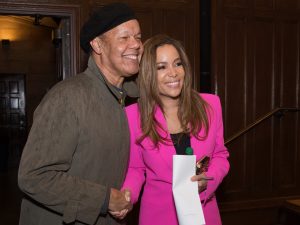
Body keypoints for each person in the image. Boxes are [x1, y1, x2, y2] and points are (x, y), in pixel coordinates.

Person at [17, 2, 143, 225]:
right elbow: (34, 177)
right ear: (97, 45)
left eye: (138, 37)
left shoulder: (131, 98)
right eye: (124, 38)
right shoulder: (68, 97)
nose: (136, 45)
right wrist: (104, 199)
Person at [120, 34, 230, 225]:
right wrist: (127, 195)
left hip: (205, 213)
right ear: (147, 73)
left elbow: (220, 155)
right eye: (161, 67)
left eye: (177, 64)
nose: (173, 73)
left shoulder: (210, 105)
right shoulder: (133, 116)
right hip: (158, 216)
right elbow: (136, 169)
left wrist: (208, 181)